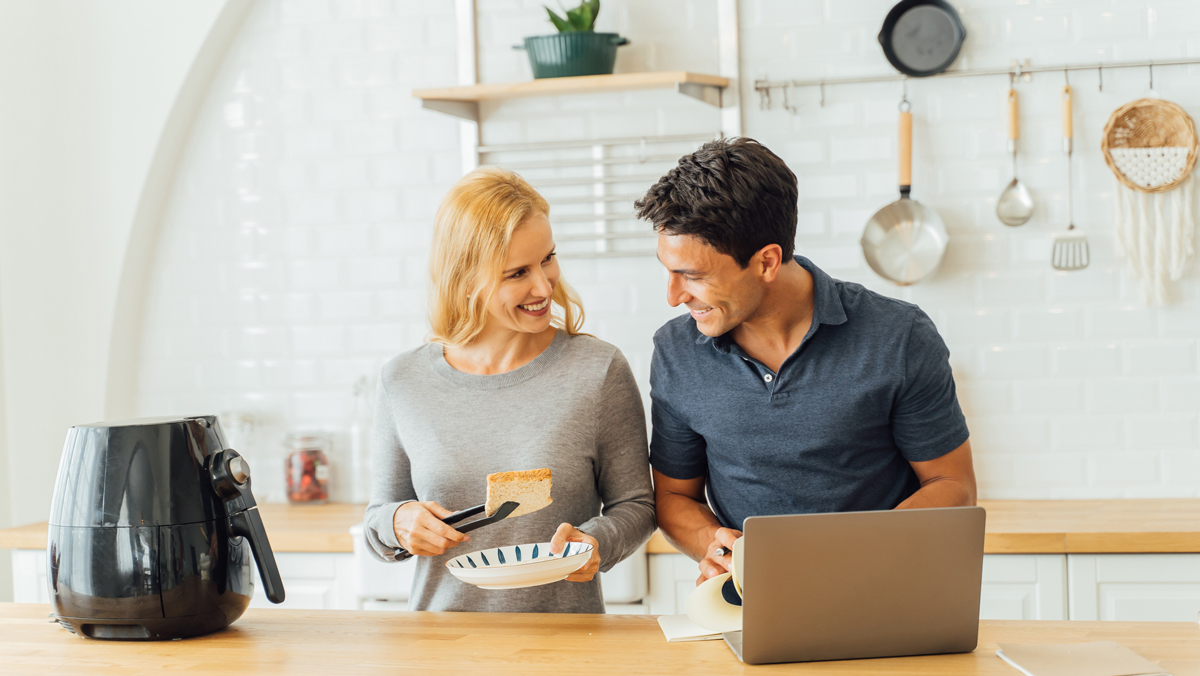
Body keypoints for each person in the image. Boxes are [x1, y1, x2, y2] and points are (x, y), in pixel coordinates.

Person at [635, 137, 976, 585]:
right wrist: (716, 545)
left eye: (693, 277)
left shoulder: (899, 337)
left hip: (889, 591)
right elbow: (675, 496)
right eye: (669, 270)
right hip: (754, 598)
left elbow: (953, 487)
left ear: (767, 261)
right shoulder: (677, 353)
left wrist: (842, 554)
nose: (674, 296)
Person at [363, 167, 655, 613]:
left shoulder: (598, 371)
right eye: (517, 273)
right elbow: (378, 518)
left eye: (548, 258)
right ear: (465, 281)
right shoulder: (402, 381)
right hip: (442, 648)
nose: (544, 286)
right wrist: (398, 522)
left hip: (566, 650)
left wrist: (596, 542)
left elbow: (636, 505)